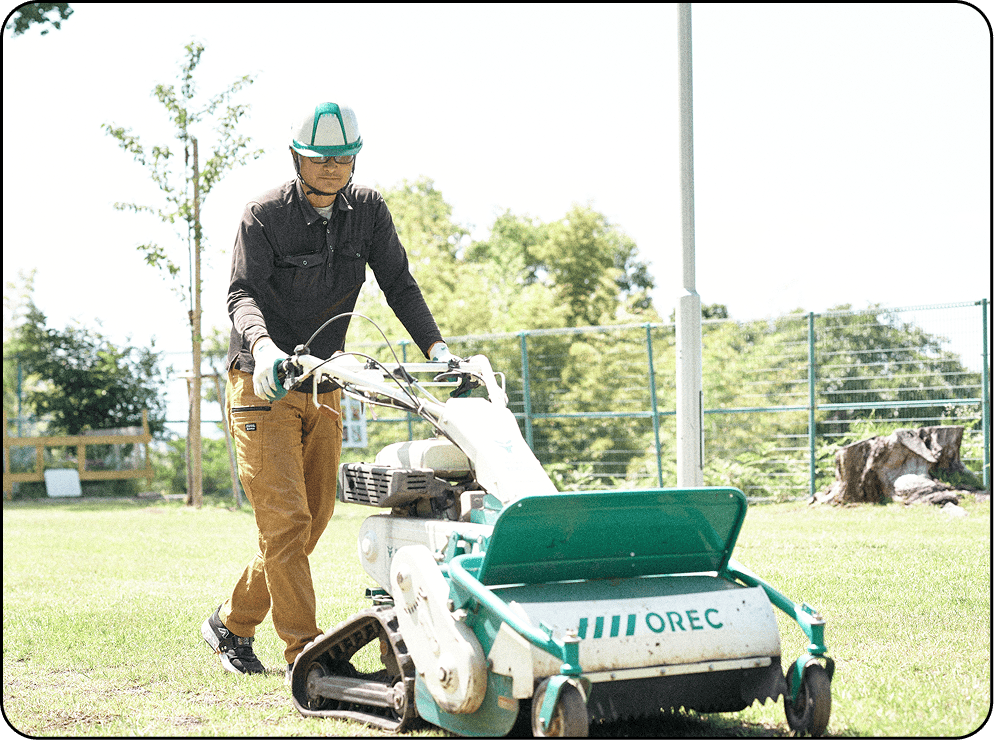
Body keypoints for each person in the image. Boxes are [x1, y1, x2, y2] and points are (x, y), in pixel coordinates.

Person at [201, 101, 455, 677]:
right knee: (286, 523)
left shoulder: (368, 211)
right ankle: (307, 658)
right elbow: (241, 294)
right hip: (262, 384)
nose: (333, 167)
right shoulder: (263, 215)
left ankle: (232, 623)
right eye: (321, 158)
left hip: (324, 384)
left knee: (311, 521)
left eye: (344, 157)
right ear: (296, 157)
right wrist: (265, 348)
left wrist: (436, 349)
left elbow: (398, 282)